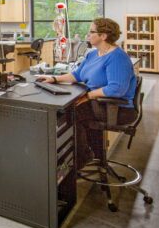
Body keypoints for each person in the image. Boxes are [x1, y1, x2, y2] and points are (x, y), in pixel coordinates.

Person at [37, 17, 137, 170]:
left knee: (71, 113)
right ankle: (89, 154)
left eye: (91, 32)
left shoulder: (117, 57)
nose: (87, 35)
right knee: (71, 110)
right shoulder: (93, 54)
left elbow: (116, 89)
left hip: (117, 109)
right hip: (100, 103)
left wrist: (89, 95)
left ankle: (82, 157)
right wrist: (54, 78)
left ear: (103, 36)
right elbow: (77, 75)